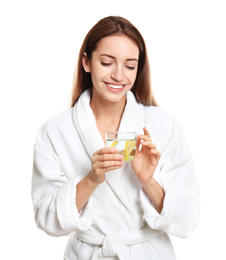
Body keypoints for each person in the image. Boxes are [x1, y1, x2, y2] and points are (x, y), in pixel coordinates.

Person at [32, 16, 200, 260]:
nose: (119, 76)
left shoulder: (162, 124)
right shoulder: (55, 131)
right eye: (107, 62)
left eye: (130, 66)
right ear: (86, 62)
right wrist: (91, 179)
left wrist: (148, 180)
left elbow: (188, 217)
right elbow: (46, 218)